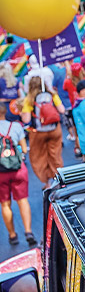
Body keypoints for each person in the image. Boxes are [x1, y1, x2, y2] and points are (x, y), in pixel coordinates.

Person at [0, 104, 36, 246]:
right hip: (18, 169)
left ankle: (13, 235)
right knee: (23, 201)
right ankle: (28, 231)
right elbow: (24, 149)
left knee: (5, 204)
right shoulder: (15, 127)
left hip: (1, 172)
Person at [20, 77, 66, 188]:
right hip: (54, 130)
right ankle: (59, 180)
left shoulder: (29, 99)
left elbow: (26, 120)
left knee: (39, 157)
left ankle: (47, 183)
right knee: (55, 155)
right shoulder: (52, 95)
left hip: (38, 132)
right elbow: (62, 110)